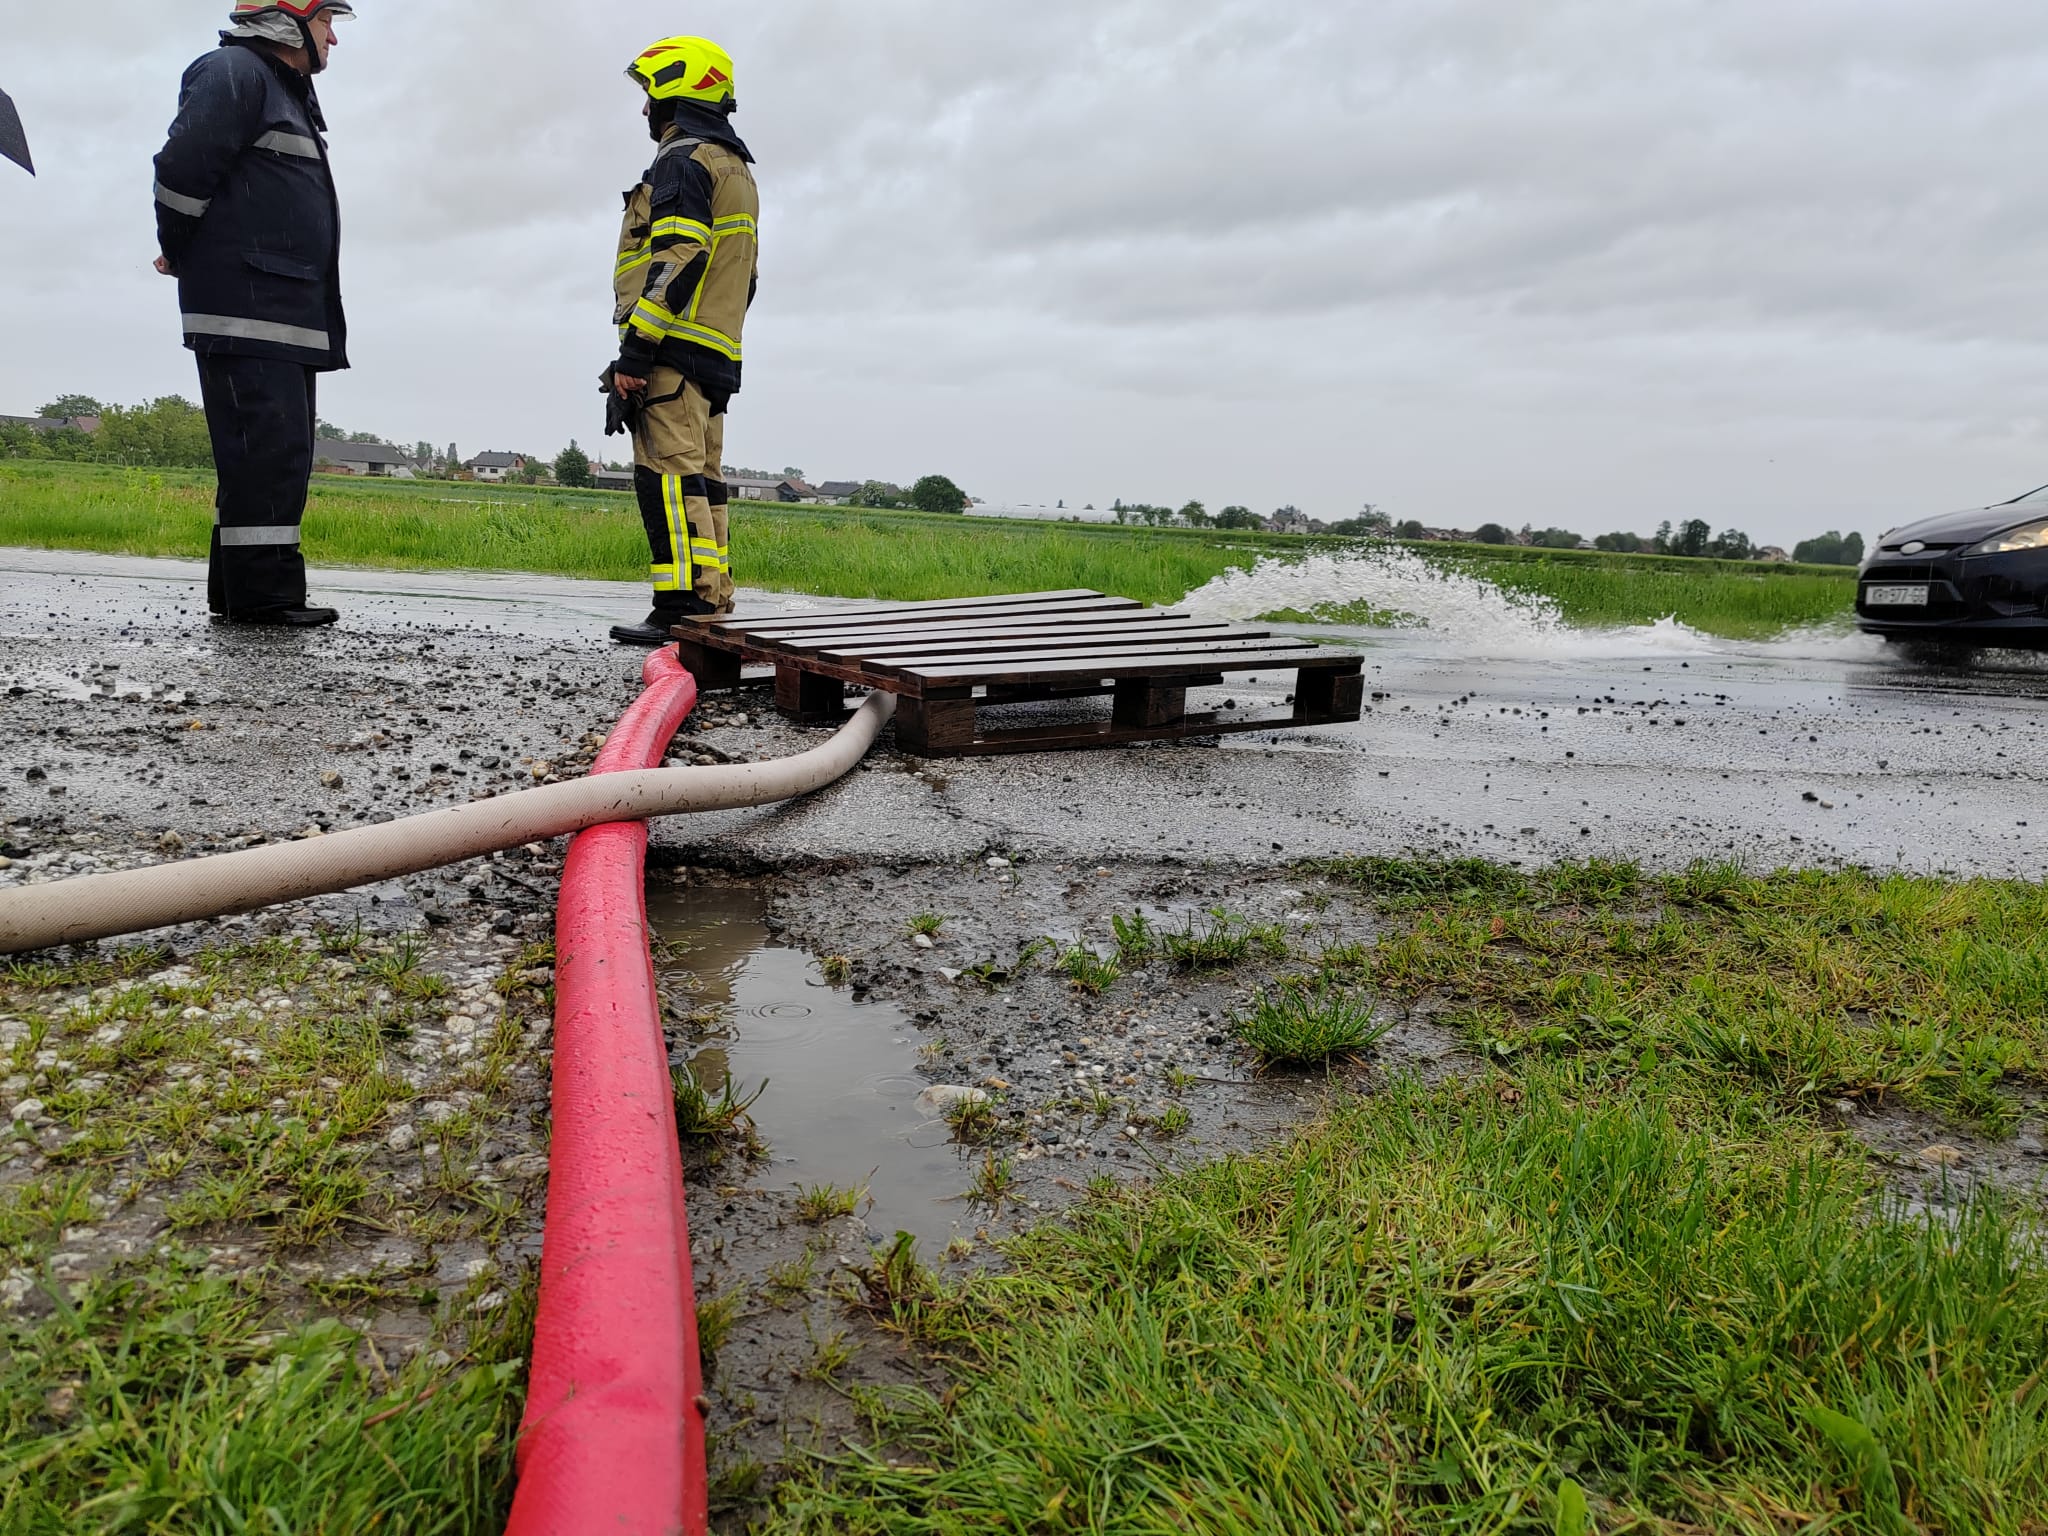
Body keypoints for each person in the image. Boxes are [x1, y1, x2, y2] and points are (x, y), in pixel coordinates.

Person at [152, 2, 354, 627]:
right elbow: (180, 170)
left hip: (280, 309)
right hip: (249, 308)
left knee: (274, 456)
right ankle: (262, 600)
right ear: (286, 23)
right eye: (327, 23)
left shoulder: (279, 90)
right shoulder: (234, 72)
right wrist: (185, 250)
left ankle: (248, 595)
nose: (334, 40)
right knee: (264, 453)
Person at [605, 36, 761, 646]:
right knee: (704, 484)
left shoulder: (681, 160)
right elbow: (743, 277)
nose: (645, 110)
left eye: (650, 95)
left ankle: (677, 610)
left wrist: (637, 350)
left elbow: (678, 255)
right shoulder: (737, 171)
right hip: (715, 355)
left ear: (675, 91)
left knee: (667, 482)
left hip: (670, 354)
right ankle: (710, 605)